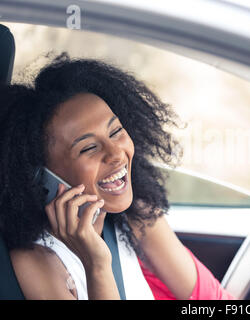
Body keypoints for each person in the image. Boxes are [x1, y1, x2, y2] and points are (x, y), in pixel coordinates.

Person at [0, 53, 235, 300]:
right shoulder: (38, 262)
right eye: (88, 148)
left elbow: (212, 300)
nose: (116, 154)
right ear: (37, 176)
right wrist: (97, 265)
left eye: (116, 131)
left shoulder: (135, 215)